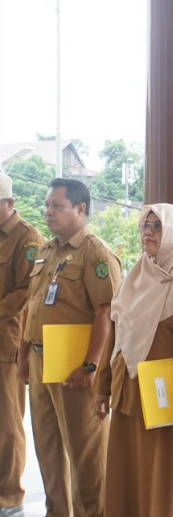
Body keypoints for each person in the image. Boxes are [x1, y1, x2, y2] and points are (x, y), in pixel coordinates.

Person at [92, 204, 173, 516]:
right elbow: (116, 339)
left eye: (157, 226)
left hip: (169, 406)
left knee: (165, 480)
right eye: (145, 225)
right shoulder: (136, 276)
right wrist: (102, 387)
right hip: (128, 396)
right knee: (127, 476)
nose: (148, 232)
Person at [19, 178, 121, 517]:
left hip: (76, 370)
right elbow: (32, 306)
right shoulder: (48, 250)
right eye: (47, 205)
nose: (48, 211)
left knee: (86, 456)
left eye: (56, 205)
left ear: (81, 209)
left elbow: (107, 312)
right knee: (48, 452)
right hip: (40, 361)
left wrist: (91, 366)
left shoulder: (95, 253)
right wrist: (23, 357)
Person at [0, 173, 44, 517]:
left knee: (7, 424)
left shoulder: (27, 238)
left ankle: (10, 499)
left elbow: (25, 292)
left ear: (9, 203)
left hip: (7, 344)